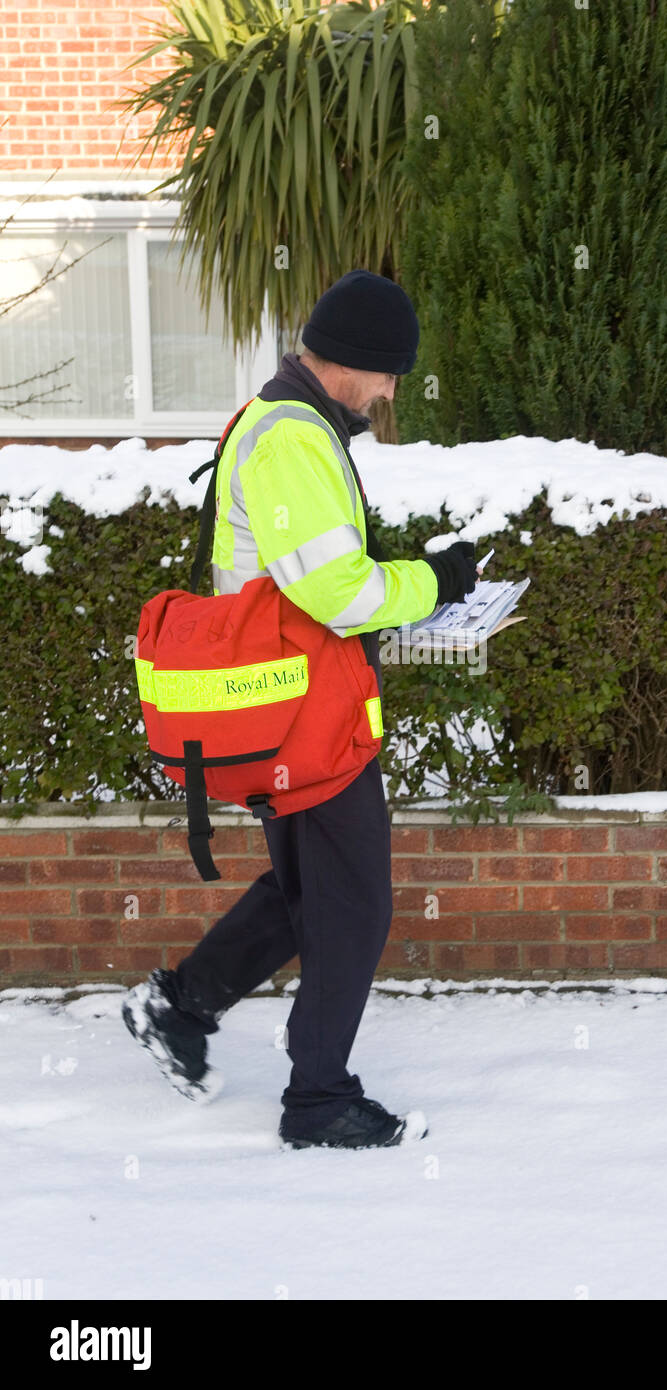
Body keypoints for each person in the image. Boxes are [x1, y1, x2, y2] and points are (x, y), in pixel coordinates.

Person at [122, 269, 480, 1151]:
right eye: (389, 374)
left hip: (287, 703)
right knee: (352, 901)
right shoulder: (294, 438)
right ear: (355, 361)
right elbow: (335, 590)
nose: (392, 392)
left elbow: (314, 575)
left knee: (304, 891)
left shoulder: (290, 422)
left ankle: (180, 1005)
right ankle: (318, 1098)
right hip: (304, 715)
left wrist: (417, 589)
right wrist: (433, 583)